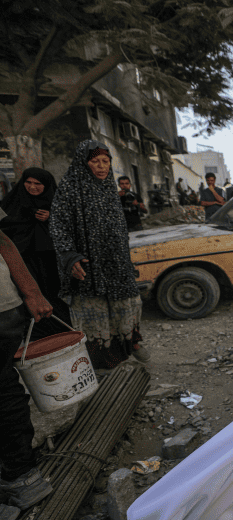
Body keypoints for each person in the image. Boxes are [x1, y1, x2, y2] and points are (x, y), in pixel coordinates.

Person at [50, 140, 150, 370]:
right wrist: (69, 255)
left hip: (116, 264)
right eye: (95, 161)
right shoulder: (69, 189)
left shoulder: (109, 189)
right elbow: (58, 225)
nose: (102, 166)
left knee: (124, 306)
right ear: (83, 163)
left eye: (106, 161)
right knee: (95, 315)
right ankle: (100, 364)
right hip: (88, 264)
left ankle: (129, 345)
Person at [0, 223, 54, 520]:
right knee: (5, 385)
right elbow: (3, 240)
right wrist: (32, 293)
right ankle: (23, 478)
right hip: (5, 306)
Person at [0, 168, 70, 339]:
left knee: (54, 298)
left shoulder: (59, 204)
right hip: (24, 262)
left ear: (46, 185)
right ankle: (38, 337)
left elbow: (70, 228)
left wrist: (51, 217)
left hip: (51, 262)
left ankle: (62, 334)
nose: (32, 187)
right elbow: (5, 230)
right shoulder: (12, 202)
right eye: (28, 182)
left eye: (38, 184)